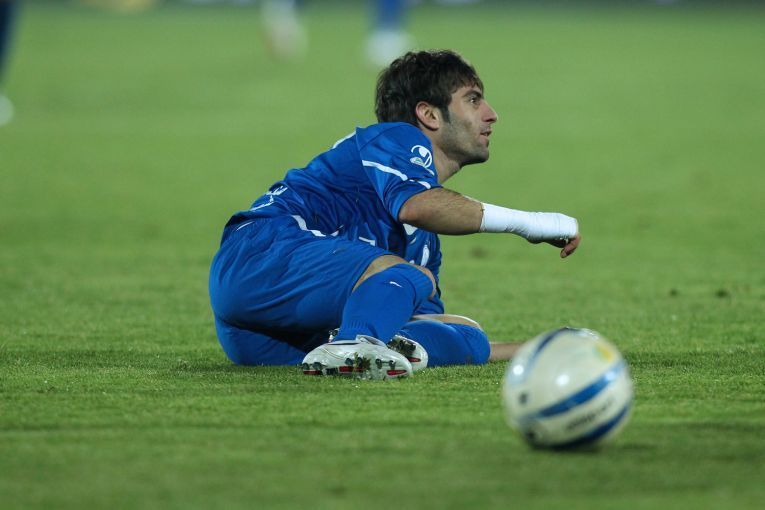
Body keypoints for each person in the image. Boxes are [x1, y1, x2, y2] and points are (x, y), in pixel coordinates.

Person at [208, 50, 581, 379]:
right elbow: (418, 205)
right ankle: (354, 344)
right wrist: (531, 224)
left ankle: (354, 345)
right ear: (429, 114)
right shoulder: (396, 137)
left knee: (464, 330)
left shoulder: (424, 244)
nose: (491, 114)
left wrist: (539, 346)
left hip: (272, 335)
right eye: (473, 99)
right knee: (411, 276)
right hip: (260, 253)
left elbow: (423, 321)